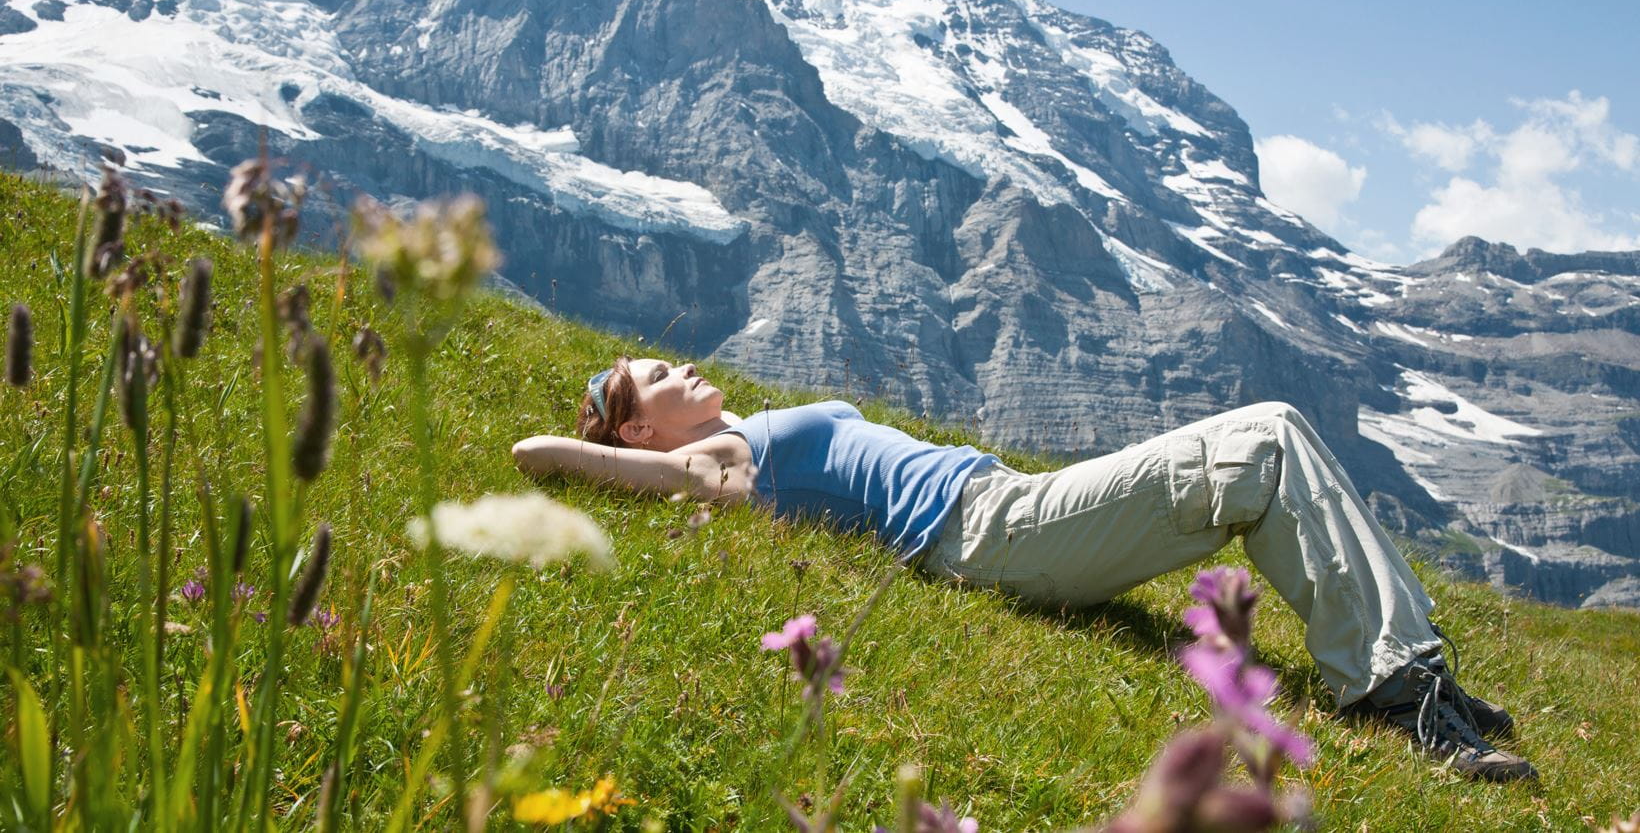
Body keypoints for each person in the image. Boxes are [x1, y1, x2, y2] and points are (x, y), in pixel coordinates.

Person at [511, 356, 1537, 782]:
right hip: (986, 529)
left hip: (1006, 497)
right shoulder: (715, 459)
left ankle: (1409, 671)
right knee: (1261, 436)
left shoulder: (735, 422)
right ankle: (1399, 691)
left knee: (1266, 445)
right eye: (652, 376)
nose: (677, 363)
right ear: (642, 425)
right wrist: (593, 447)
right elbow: (547, 457)